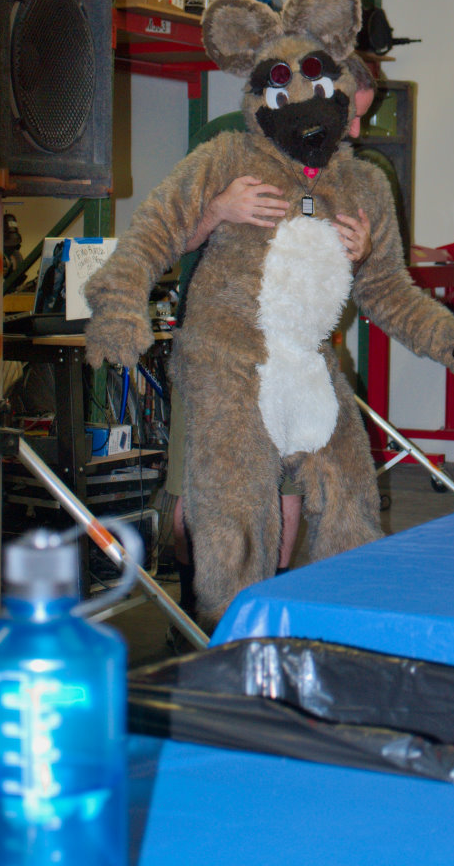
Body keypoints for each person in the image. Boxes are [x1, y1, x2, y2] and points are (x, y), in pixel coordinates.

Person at [166, 56, 377, 617]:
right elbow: (172, 235)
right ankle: (199, 617)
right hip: (220, 352)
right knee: (202, 503)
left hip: (299, 358)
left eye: (359, 117)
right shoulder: (228, 141)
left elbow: (358, 278)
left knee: (285, 502)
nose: (355, 131)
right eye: (351, 116)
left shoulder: (342, 169)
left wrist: (361, 252)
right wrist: (219, 208)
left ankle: (263, 619)